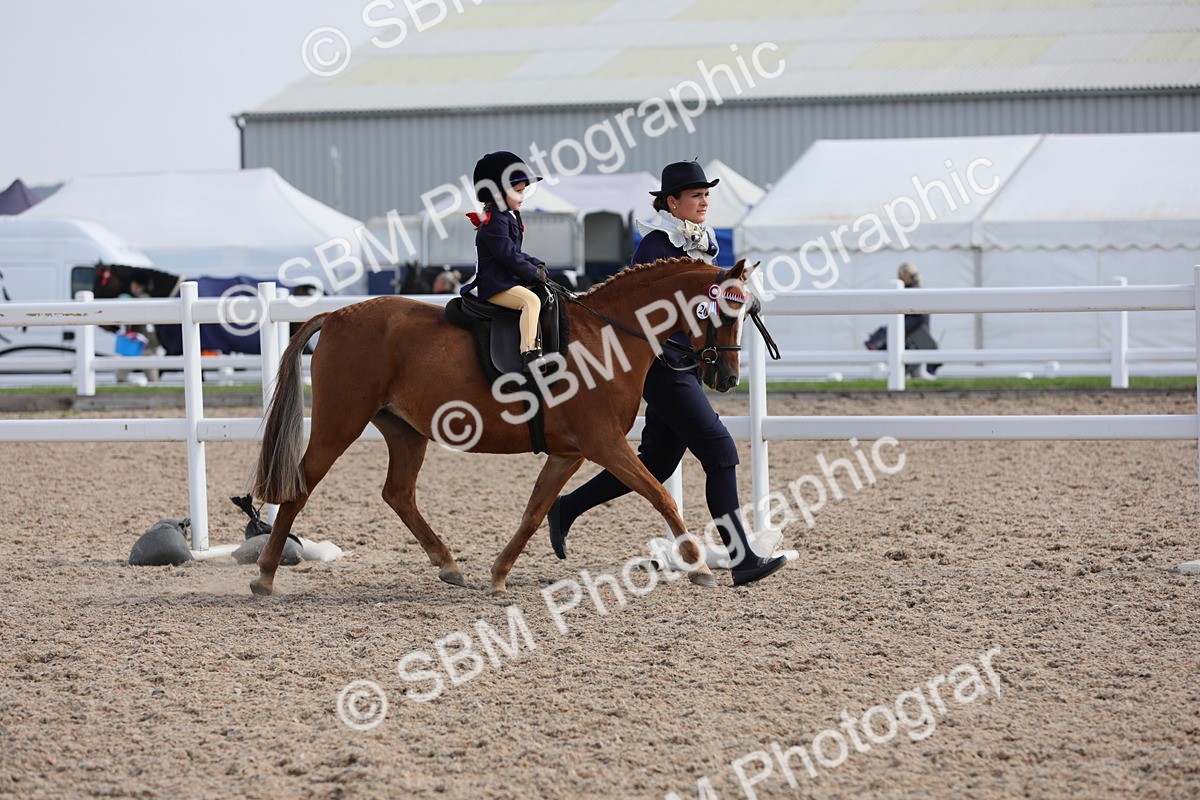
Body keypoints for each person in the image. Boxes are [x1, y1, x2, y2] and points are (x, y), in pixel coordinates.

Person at [547, 160, 788, 586]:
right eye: (696, 196)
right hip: (662, 366)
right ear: (671, 202)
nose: (704, 203)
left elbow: (715, 294)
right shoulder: (655, 248)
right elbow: (655, 311)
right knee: (719, 449)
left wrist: (742, 298)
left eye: (707, 196)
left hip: (687, 363)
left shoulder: (699, 243)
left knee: (656, 461)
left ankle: (566, 508)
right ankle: (742, 556)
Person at [459, 151, 550, 373]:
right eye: (518, 191)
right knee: (530, 301)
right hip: (495, 284)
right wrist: (531, 273)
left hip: (506, 280)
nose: (523, 196)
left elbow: (517, 252)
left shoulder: (508, 217)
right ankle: (529, 354)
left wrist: (537, 264)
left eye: (523, 191)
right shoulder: (494, 222)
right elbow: (508, 256)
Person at [897, 262, 939, 379]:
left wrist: (902, 330)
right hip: (916, 338)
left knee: (918, 373)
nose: (898, 277)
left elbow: (918, 318)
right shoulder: (914, 290)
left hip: (917, 339)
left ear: (907, 275)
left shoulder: (913, 291)